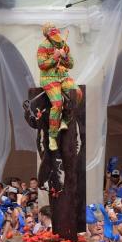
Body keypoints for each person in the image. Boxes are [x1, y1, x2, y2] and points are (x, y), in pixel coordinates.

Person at [37, 22, 83, 151]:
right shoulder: (43, 46)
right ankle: (52, 136)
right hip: (49, 78)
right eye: (52, 32)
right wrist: (54, 57)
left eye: (55, 31)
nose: (56, 35)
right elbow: (42, 65)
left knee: (77, 93)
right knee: (57, 103)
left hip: (63, 76)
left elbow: (71, 64)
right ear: (47, 34)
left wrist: (64, 56)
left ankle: (65, 120)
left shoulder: (63, 44)